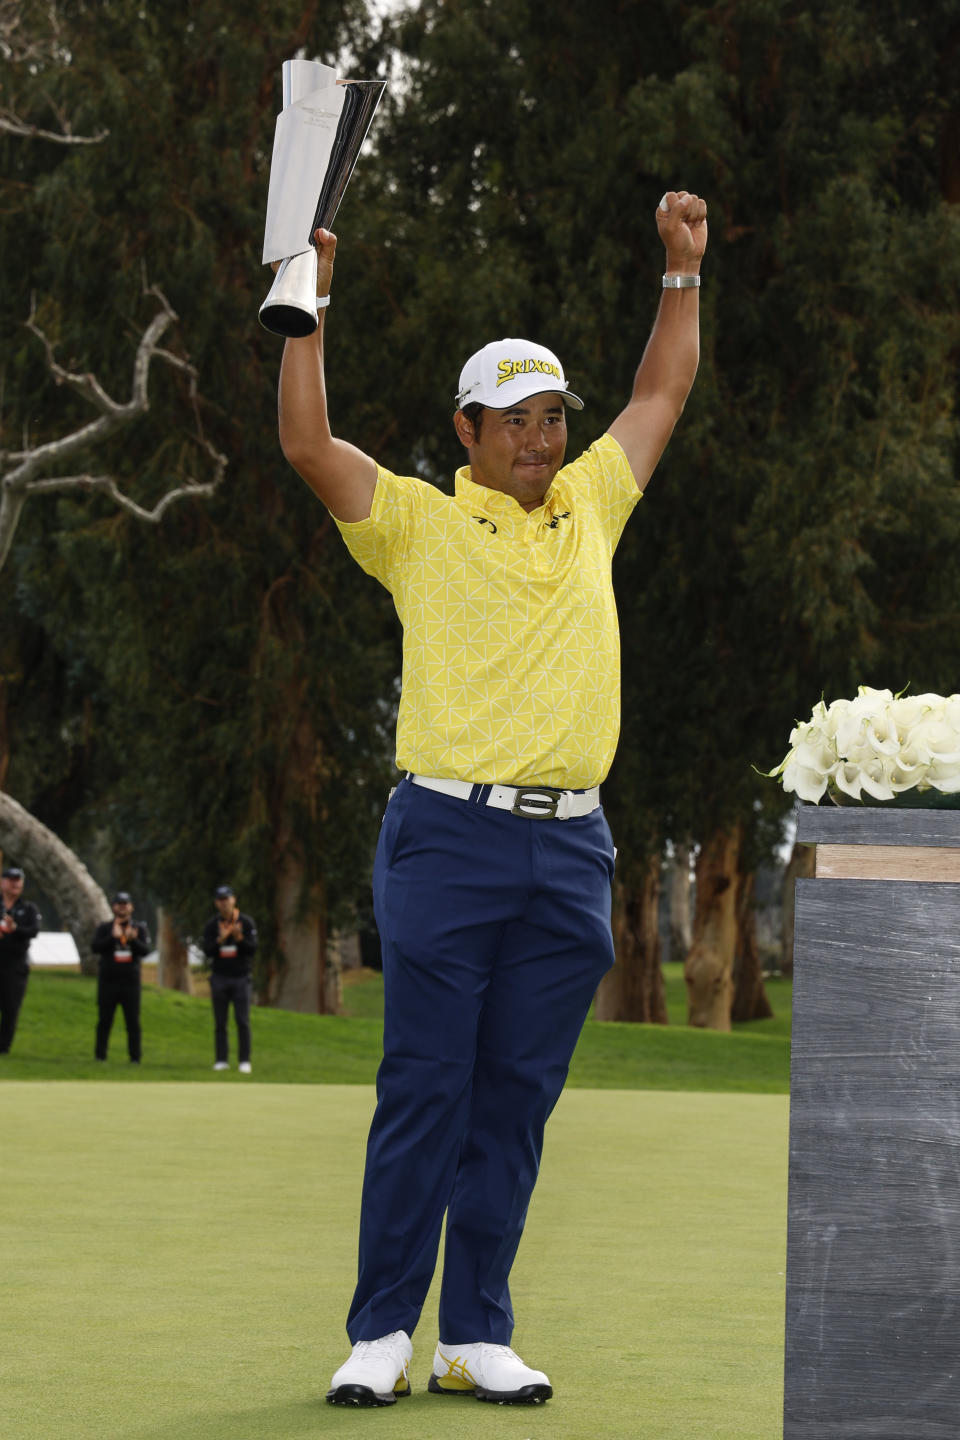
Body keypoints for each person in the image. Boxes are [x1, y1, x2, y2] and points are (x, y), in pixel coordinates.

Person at [277, 189, 708, 1407]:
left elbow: (663, 392)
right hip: (447, 839)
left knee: (514, 1103)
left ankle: (474, 1331)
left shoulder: (593, 505)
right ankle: (379, 1335)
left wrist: (682, 270)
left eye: (554, 415)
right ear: (465, 429)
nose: (540, 435)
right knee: (426, 1088)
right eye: (515, 418)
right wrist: (302, 300)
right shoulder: (417, 523)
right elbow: (309, 447)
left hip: (572, 855)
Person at [202, 885, 257, 1073]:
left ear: (233, 900)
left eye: (227, 899)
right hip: (219, 977)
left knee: (242, 1020)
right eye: (220, 900)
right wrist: (220, 939)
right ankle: (221, 1060)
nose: (224, 903)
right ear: (217, 903)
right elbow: (207, 951)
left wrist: (238, 936)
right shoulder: (212, 925)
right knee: (220, 1022)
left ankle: (244, 1061)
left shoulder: (246, 922)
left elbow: (252, 949)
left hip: (241, 977)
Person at [92, 891, 151, 1064]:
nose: (123, 907)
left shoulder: (138, 928)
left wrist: (132, 940)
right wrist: (113, 938)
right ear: (114, 907)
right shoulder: (105, 928)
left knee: (132, 1021)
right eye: (119, 904)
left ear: (131, 907)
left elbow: (145, 951)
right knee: (104, 1020)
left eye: (126, 904)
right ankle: (100, 1056)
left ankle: (135, 1058)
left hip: (130, 982)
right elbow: (95, 947)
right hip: (108, 982)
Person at [0, 865, 41, 1055]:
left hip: (15, 967)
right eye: (11, 879)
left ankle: (3, 1049)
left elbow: (33, 931)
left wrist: (15, 928)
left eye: (19, 880)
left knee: (10, 1008)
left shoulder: (28, 908)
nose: (15, 883)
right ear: (2, 883)